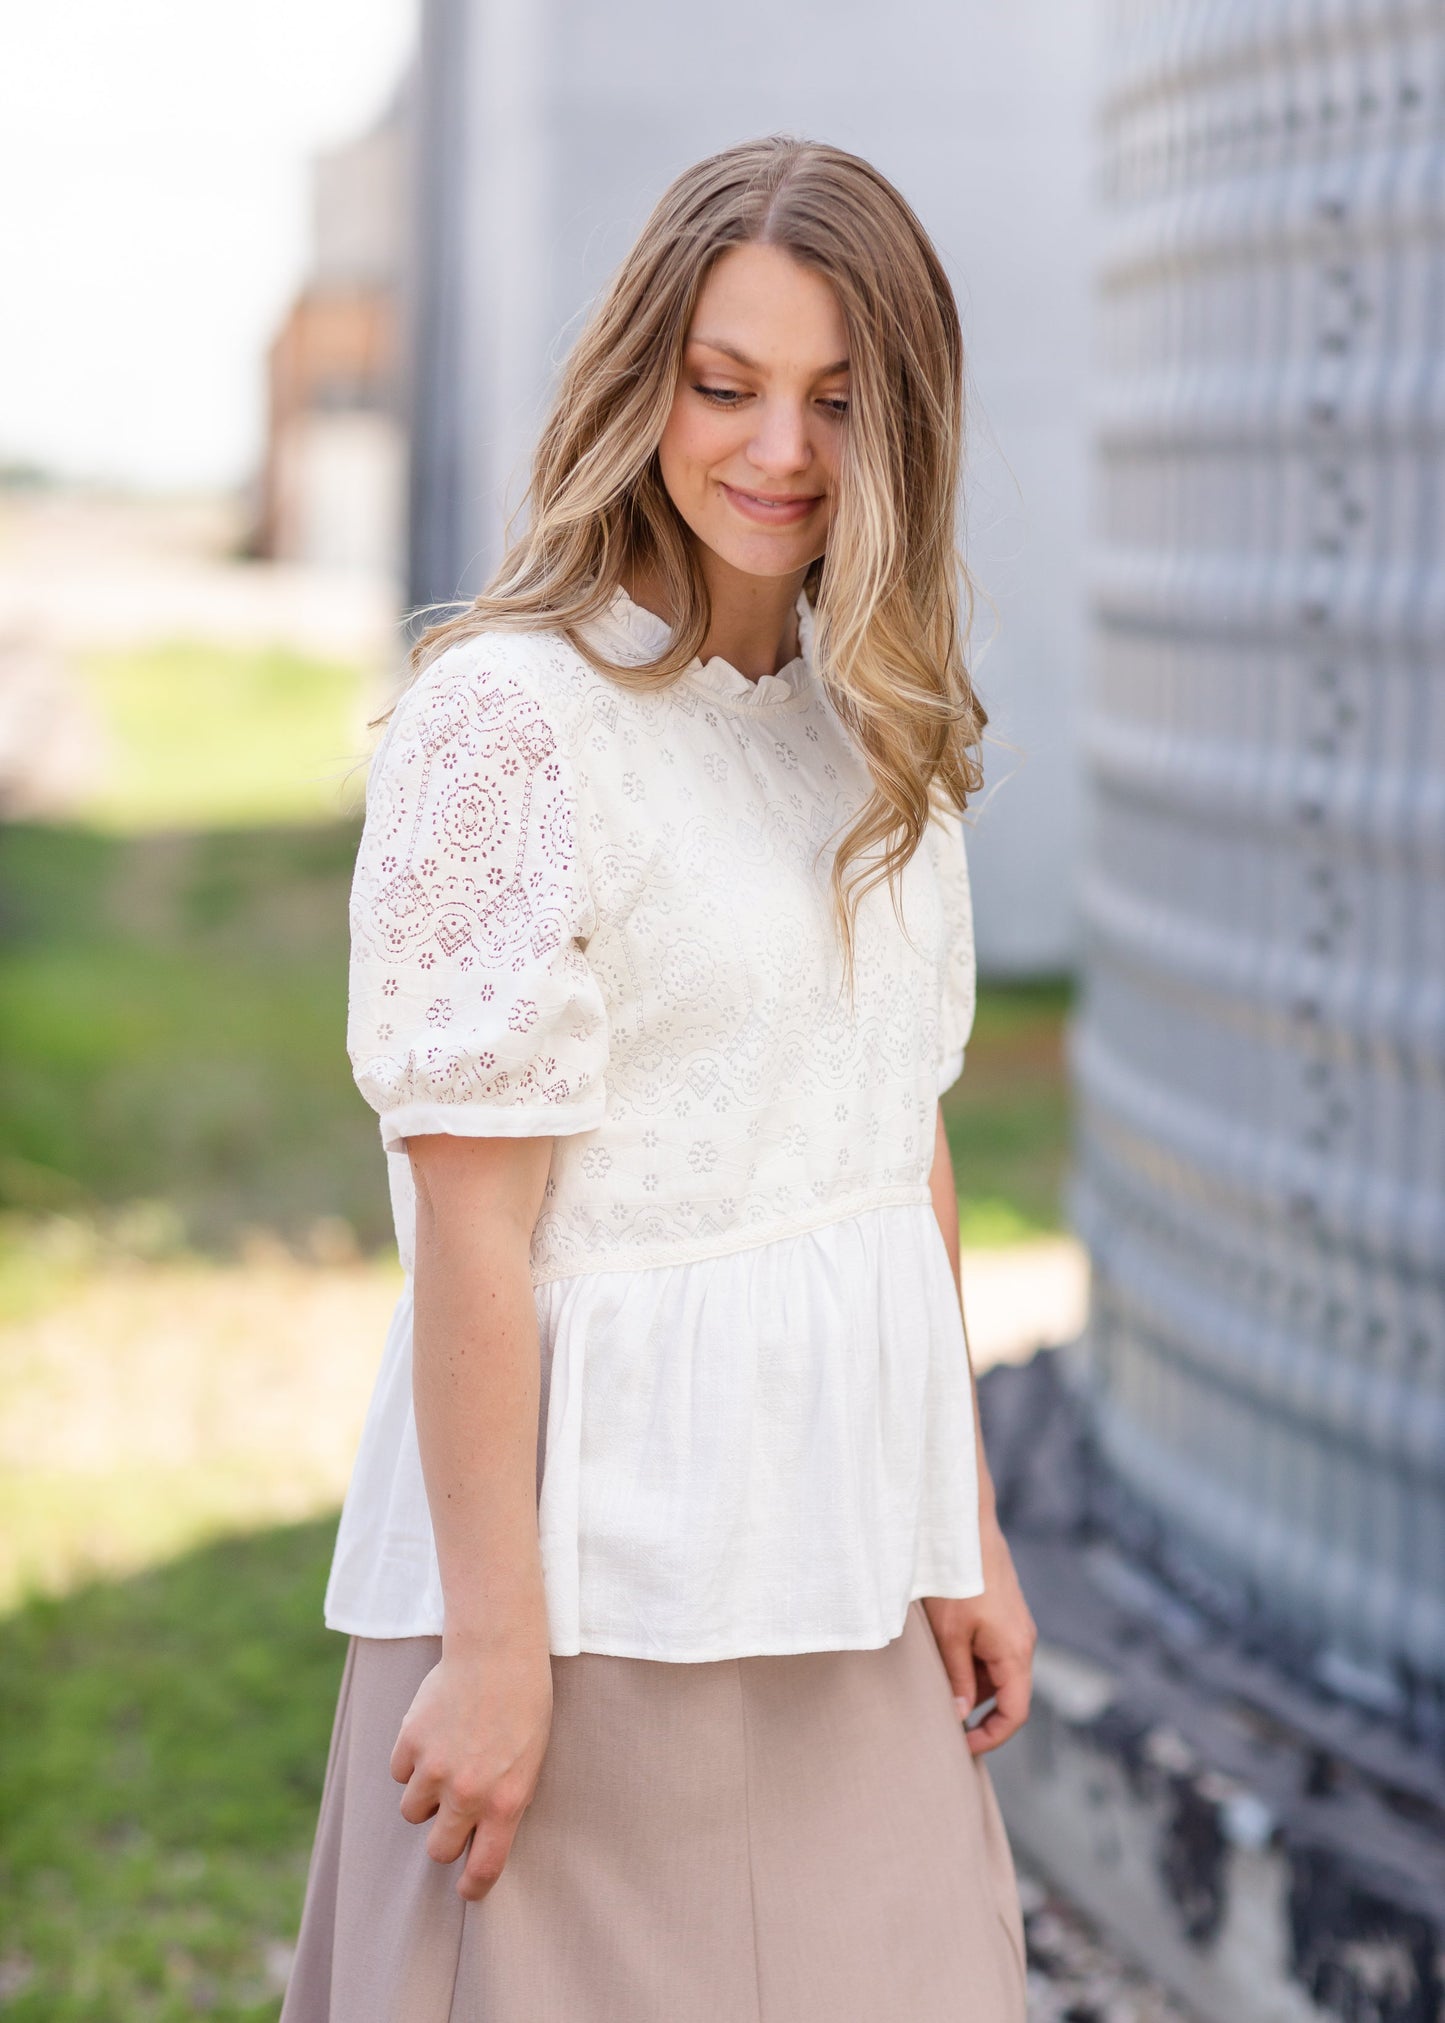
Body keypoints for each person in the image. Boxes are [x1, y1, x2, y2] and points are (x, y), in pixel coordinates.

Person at [281, 133, 1036, 2023]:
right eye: (727, 385)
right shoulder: (514, 724)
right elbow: (475, 1221)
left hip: (850, 1582)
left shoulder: (879, 734)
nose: (778, 450)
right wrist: (495, 1647)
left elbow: (896, 1148)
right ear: (643, 383)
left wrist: (969, 1534)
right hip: (584, 1606)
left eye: (839, 403)